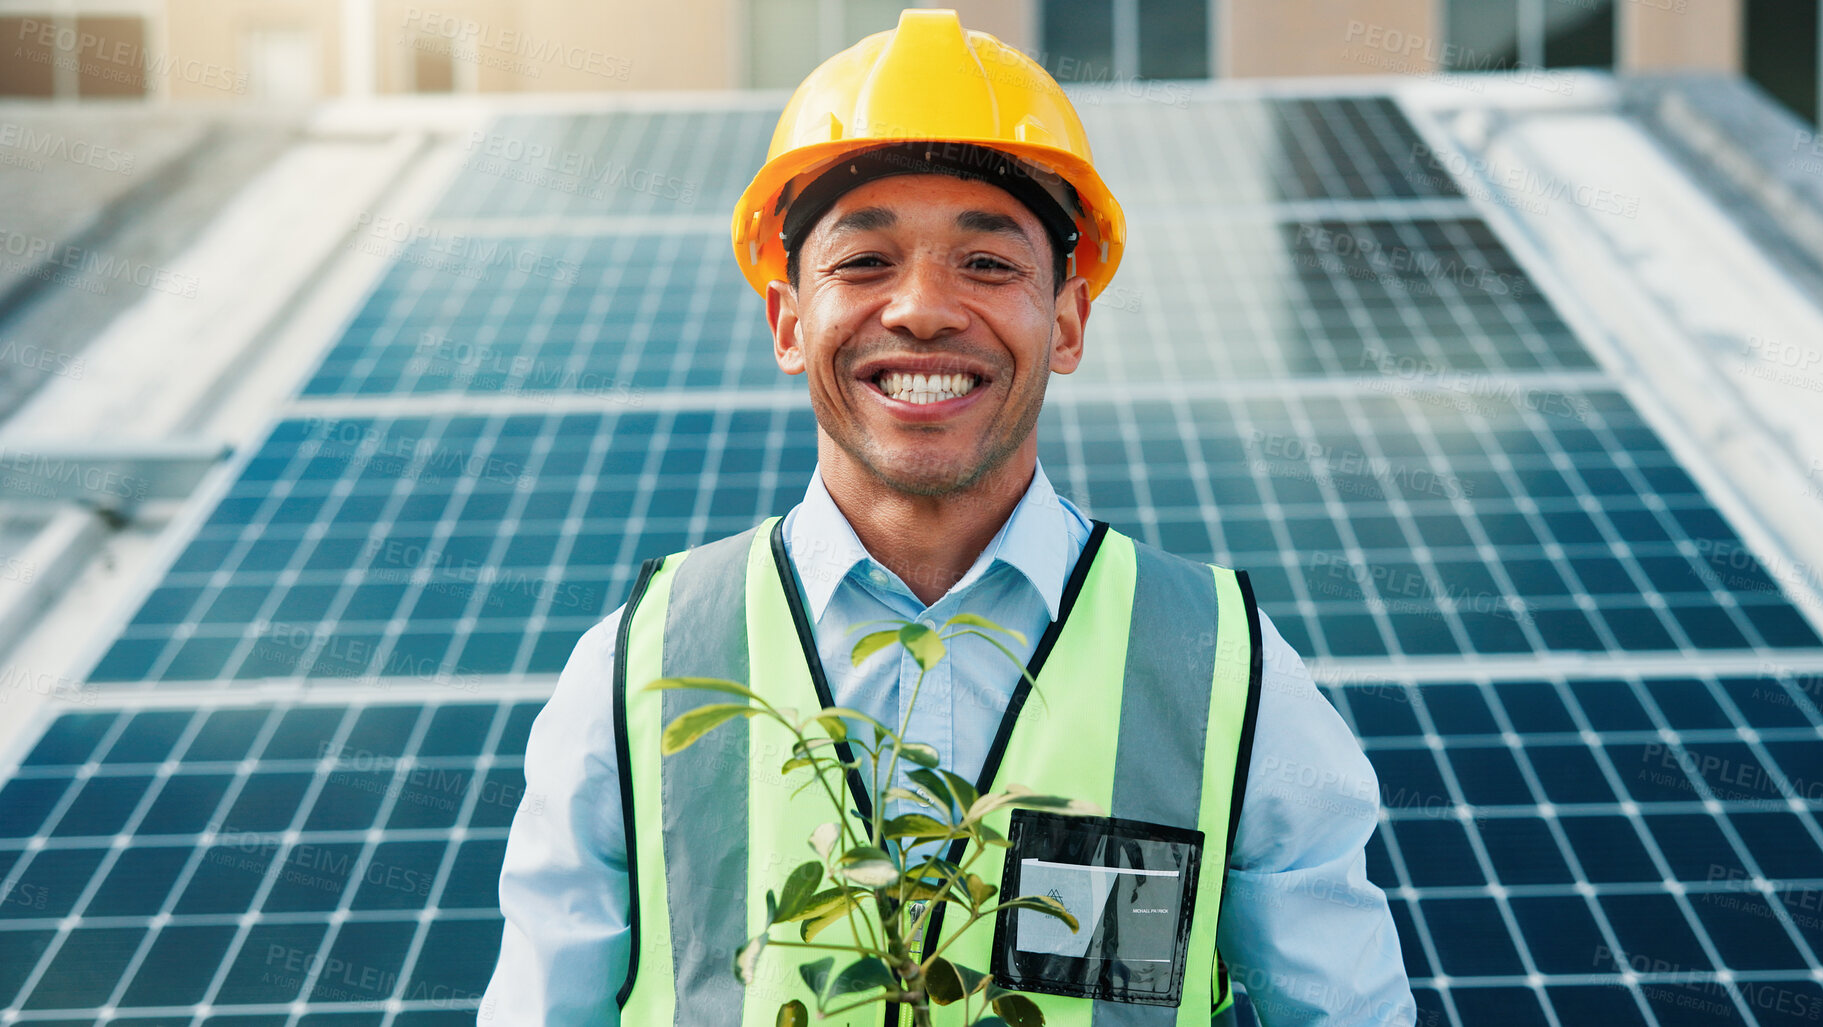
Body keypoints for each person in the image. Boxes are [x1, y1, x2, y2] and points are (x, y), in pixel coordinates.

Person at [482, 9, 1413, 1025]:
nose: (922, 308)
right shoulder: (636, 673)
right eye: (865, 261)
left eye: (987, 263)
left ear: (1068, 317)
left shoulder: (1227, 672)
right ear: (789, 320)